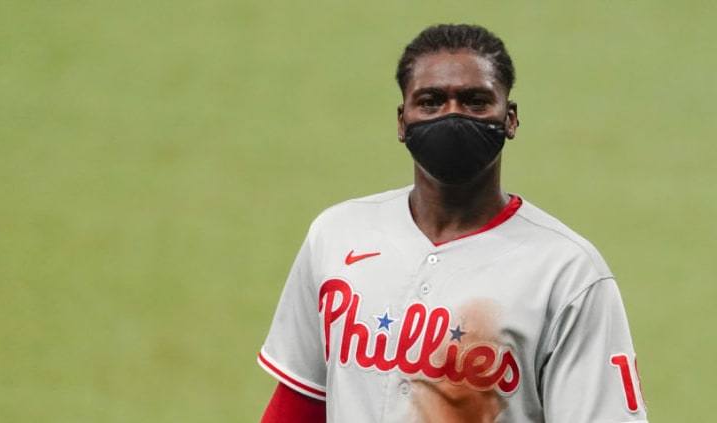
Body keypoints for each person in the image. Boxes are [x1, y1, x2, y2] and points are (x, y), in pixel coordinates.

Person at [257, 23, 648, 423]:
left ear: (510, 119)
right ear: (401, 120)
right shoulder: (337, 235)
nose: (452, 116)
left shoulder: (566, 273)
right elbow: (299, 404)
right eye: (430, 102)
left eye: (475, 101)